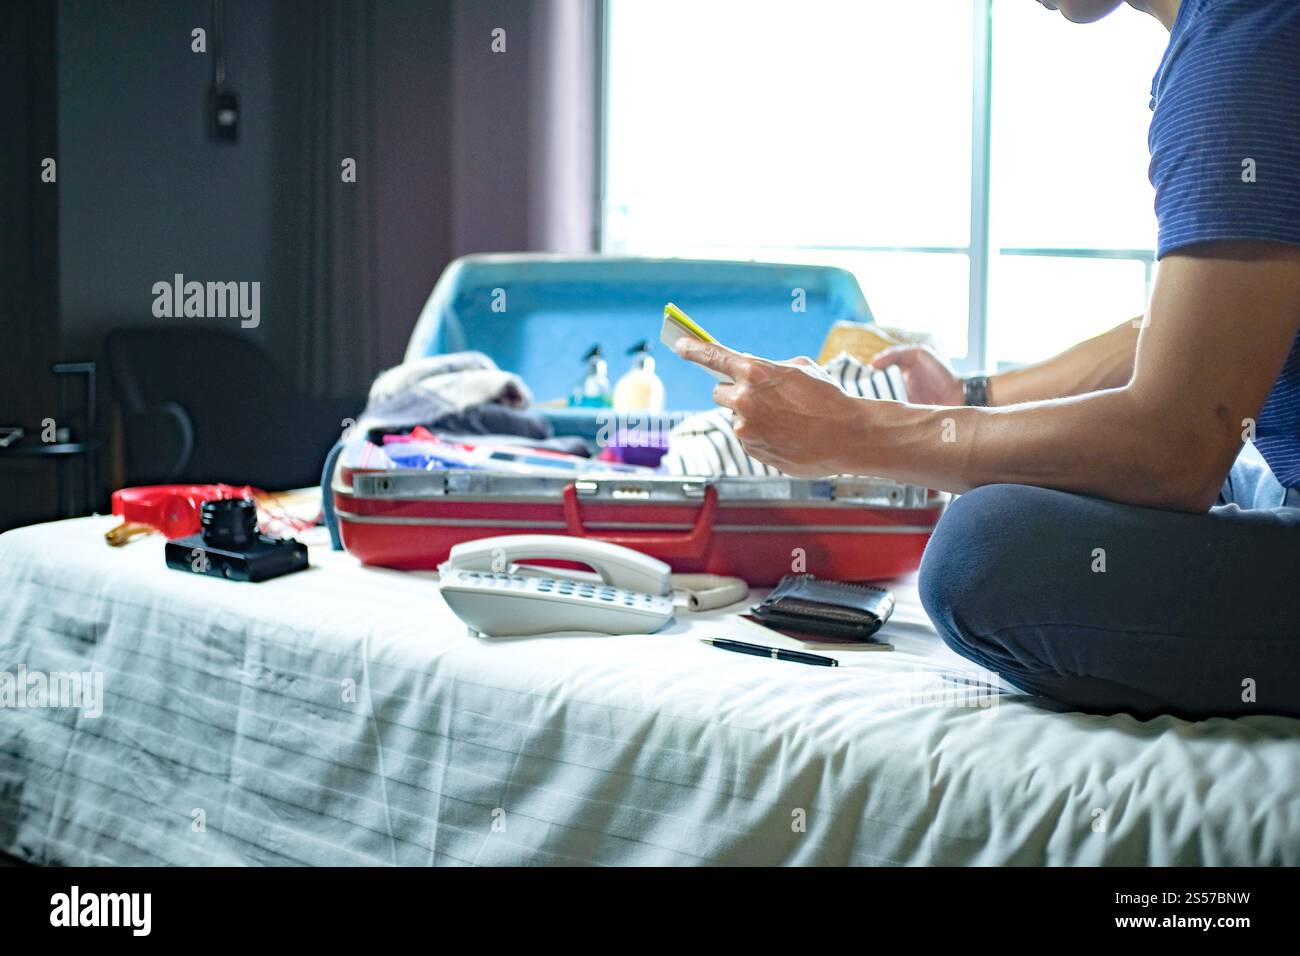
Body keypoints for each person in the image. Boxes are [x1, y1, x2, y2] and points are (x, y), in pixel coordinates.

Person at [674, 0, 1300, 720]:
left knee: (987, 549)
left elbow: (1175, 446)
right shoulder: (1239, 32)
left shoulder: (1245, 49)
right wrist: (969, 399)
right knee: (1059, 475)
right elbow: (1195, 329)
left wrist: (852, 434)